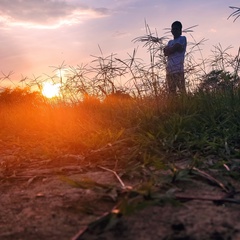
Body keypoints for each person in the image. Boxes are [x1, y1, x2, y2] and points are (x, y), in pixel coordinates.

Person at [164, 21, 187, 94]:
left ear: (180, 31)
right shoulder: (170, 42)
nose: (174, 30)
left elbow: (177, 47)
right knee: (171, 92)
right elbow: (165, 52)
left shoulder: (182, 38)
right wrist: (172, 49)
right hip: (169, 71)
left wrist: (170, 49)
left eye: (176, 29)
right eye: (173, 29)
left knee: (182, 91)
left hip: (178, 70)